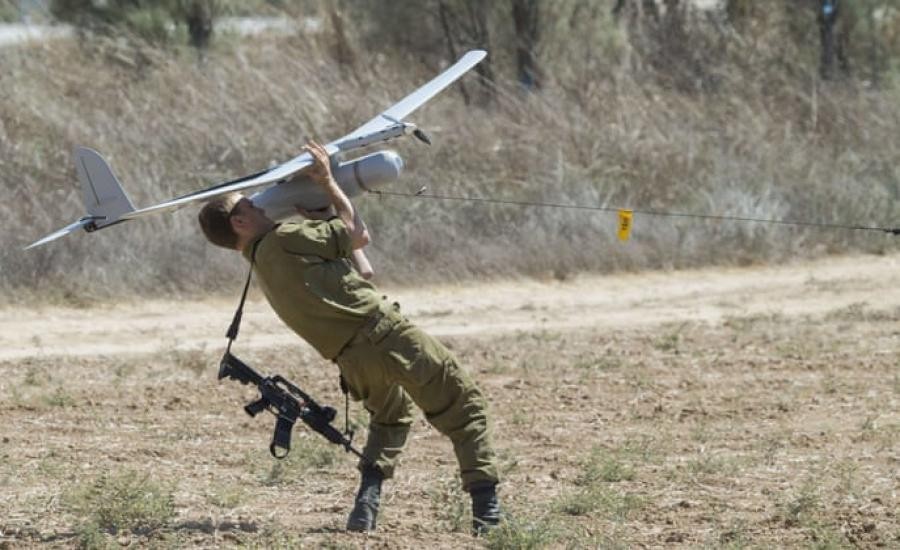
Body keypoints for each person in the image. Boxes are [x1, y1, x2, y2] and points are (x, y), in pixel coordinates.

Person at [198, 140, 502, 534]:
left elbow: (363, 270)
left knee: (390, 420)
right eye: (250, 207)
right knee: (463, 406)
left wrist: (327, 214)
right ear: (240, 223)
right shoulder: (286, 237)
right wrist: (328, 182)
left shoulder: (265, 266)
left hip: (355, 363)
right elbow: (359, 234)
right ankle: (487, 513)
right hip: (388, 336)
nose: (260, 207)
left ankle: (365, 507)